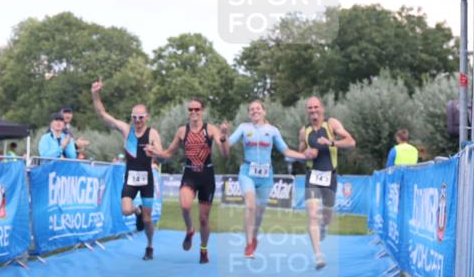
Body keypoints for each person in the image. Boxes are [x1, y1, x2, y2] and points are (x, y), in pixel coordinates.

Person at [221, 100, 315, 258]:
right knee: (250, 207)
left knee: (259, 214)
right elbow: (227, 145)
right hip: (247, 173)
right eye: (251, 109)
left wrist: (304, 156)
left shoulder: (272, 131)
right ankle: (248, 244)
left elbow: (285, 151)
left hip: (266, 176)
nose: (255, 111)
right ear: (249, 113)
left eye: (258, 108)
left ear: (264, 112)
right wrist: (223, 136)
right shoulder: (244, 128)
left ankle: (254, 236)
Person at [146, 98, 229, 264]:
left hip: (207, 176)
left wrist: (224, 137)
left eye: (197, 109)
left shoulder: (210, 129)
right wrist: (155, 153)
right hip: (190, 174)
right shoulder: (182, 131)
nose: (193, 112)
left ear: (202, 111)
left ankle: (204, 249)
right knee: (185, 206)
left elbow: (226, 155)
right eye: (190, 109)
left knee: (204, 219)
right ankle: (190, 229)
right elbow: (169, 153)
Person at [91, 78, 163, 261]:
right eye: (134, 117)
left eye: (141, 117)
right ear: (131, 118)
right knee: (125, 210)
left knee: (147, 220)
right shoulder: (126, 130)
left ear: (147, 117)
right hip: (130, 177)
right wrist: (95, 94)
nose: (138, 121)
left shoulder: (152, 133)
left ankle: (150, 246)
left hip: (147, 178)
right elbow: (102, 114)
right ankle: (137, 210)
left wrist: (153, 151)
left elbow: (162, 154)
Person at [300, 96, 356, 270]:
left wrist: (331, 142)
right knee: (312, 214)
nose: (313, 110)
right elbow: (301, 150)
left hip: (330, 175)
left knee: (327, 214)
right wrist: (306, 153)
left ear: (322, 108)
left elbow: (351, 142)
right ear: (307, 110)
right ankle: (318, 256)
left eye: (316, 107)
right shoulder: (304, 131)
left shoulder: (331, 124)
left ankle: (324, 226)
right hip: (312, 176)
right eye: (310, 108)